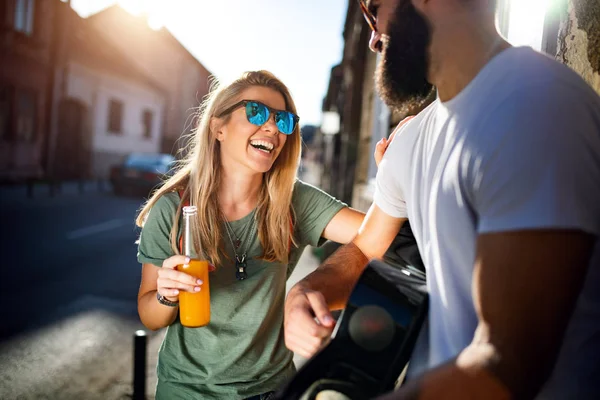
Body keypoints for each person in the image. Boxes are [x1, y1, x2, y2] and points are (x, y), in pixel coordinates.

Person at [284, 1, 600, 399]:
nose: (373, 39)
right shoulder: (411, 138)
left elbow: (508, 362)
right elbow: (366, 248)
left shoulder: (535, 104)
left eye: (373, 11)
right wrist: (308, 290)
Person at [135, 70, 365, 399]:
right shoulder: (174, 209)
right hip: (187, 391)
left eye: (283, 120)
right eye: (256, 112)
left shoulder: (295, 201)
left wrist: (314, 285)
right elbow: (150, 316)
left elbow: (378, 235)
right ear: (219, 128)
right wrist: (166, 295)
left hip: (270, 391)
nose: (272, 127)